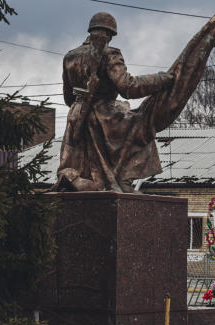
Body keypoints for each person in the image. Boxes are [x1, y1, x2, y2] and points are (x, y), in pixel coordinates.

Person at [56, 12, 174, 192]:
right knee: (142, 128)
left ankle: (86, 181)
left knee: (84, 168)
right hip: (106, 116)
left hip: (76, 115)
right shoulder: (110, 54)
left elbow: (68, 98)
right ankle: (125, 179)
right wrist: (160, 79)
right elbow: (128, 87)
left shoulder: (70, 57)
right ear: (110, 34)